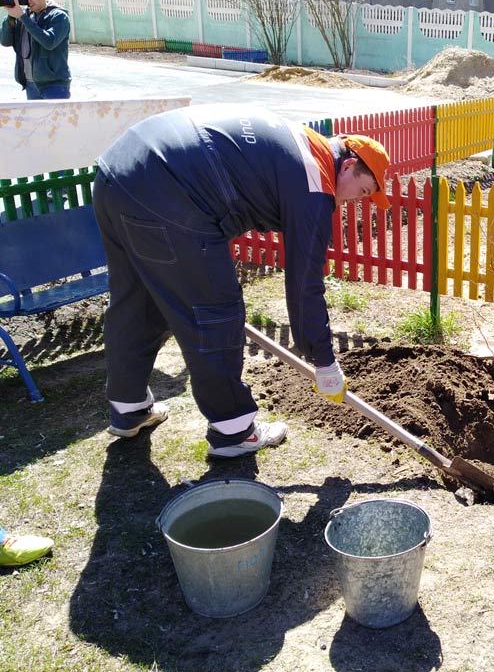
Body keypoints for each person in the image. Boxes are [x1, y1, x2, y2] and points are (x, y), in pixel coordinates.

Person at [92, 104, 391, 457]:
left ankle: (129, 409)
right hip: (170, 190)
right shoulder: (316, 184)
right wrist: (324, 361)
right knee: (215, 309)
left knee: (138, 299)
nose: (353, 201)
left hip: (118, 172)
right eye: (362, 191)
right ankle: (233, 430)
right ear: (350, 165)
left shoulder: (303, 142)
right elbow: (304, 285)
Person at [0, 0, 71, 99]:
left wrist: (22, 17)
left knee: (56, 119)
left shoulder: (59, 16)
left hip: (54, 86)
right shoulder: (25, 16)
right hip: (30, 84)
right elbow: (5, 41)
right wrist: (11, 17)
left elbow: (49, 42)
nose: (28, 1)